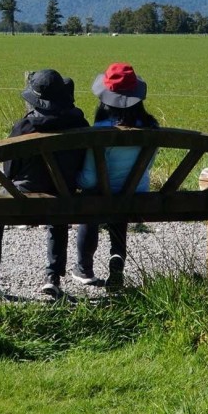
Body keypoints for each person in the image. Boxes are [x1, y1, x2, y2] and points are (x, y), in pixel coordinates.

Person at [0, 69, 89, 300]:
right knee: (59, 214)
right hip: (64, 195)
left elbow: (9, 171)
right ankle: (52, 278)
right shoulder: (80, 122)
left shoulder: (25, 127)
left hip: (24, 195)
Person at [72, 62, 159, 290]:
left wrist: (76, 181)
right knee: (120, 201)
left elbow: (90, 179)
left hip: (102, 195)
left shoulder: (100, 130)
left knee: (92, 199)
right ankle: (117, 259)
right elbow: (148, 165)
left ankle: (84, 268)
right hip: (137, 194)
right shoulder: (151, 128)